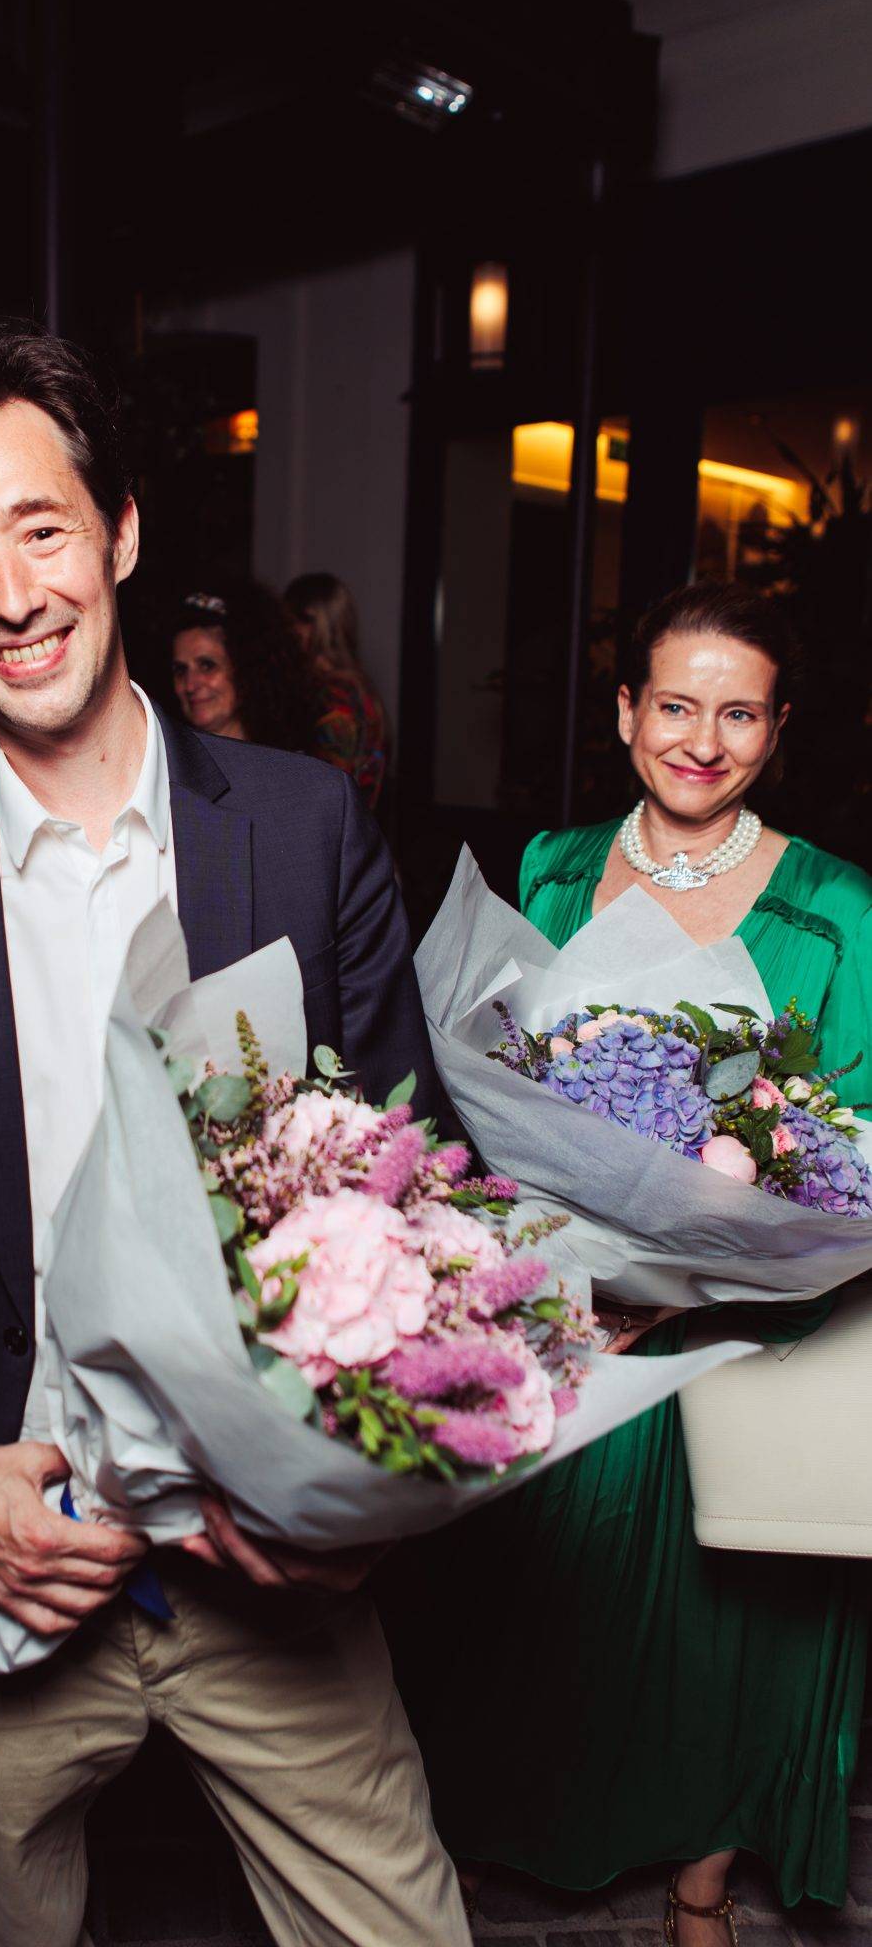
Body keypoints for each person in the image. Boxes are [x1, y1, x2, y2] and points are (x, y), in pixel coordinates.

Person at [0, 322, 467, 1947]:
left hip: (260, 1561)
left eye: (41, 528)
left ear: (122, 532)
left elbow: (414, 1169)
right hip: (14, 1556)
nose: (8, 593)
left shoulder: (303, 826)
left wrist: (364, 1479)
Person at [409, 583, 871, 1944]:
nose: (702, 742)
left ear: (777, 728)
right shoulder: (551, 868)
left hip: (744, 1323)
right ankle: (502, 1823)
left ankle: (702, 1872)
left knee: (733, 1616)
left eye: (740, 715)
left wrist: (721, 1244)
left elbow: (850, 1137)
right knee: (534, 1591)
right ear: (625, 712)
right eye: (675, 705)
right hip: (565, 1307)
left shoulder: (837, 912)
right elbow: (490, 1078)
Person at [170, 577, 318, 752]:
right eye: (181, 670)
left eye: (207, 666)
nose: (190, 685)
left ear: (246, 669)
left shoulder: (286, 762)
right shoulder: (167, 760)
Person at [285, 570, 388, 811]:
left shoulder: (334, 696)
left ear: (311, 623)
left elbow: (329, 791)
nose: (285, 631)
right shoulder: (356, 687)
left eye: (289, 621)